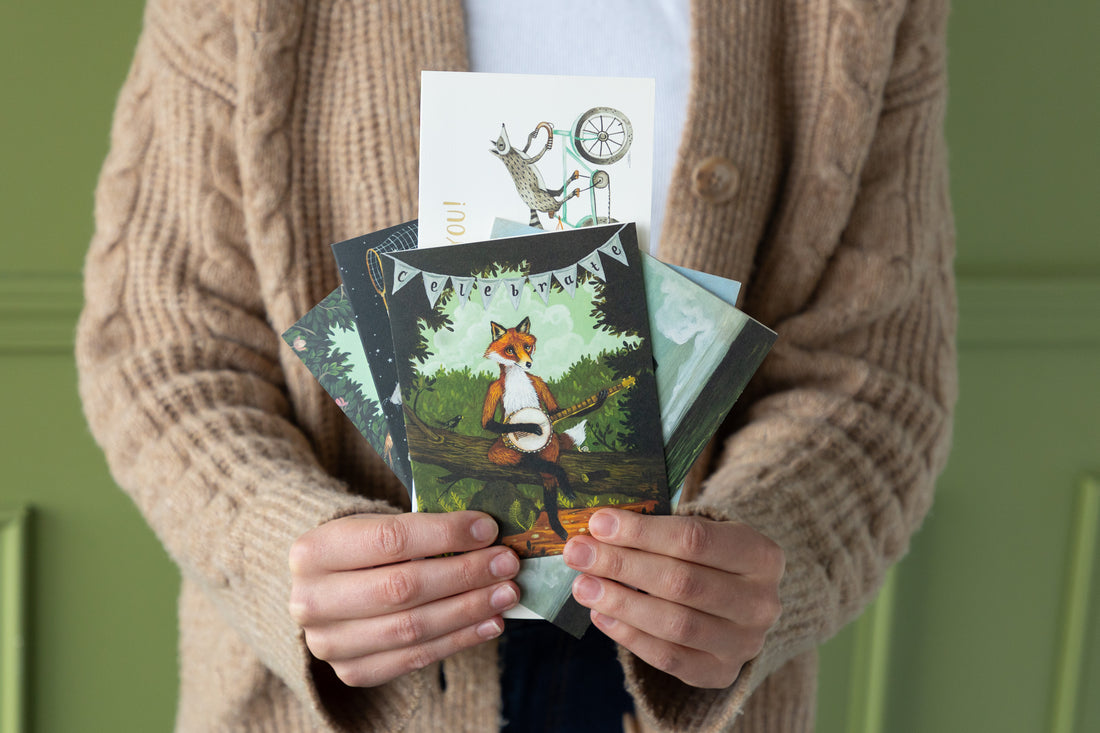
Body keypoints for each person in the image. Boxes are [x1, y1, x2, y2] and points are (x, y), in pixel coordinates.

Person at [76, 0, 956, 731]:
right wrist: (280, 547)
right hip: (344, 689)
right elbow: (163, 345)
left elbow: (876, 373)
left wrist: (767, 554)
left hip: (686, 679)